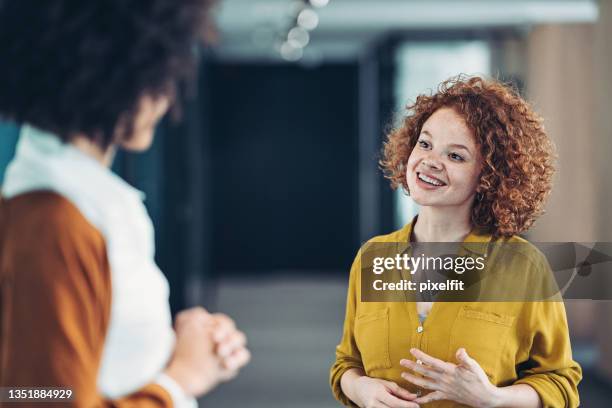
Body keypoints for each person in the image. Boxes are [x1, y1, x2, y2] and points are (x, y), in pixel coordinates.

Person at [0, 1, 249, 407]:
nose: (166, 98)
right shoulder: (57, 220)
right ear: (108, 78)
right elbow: (36, 397)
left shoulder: (72, 201)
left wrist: (178, 345)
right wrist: (181, 378)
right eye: (156, 79)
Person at [330, 76, 582, 408]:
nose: (431, 161)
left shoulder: (524, 266)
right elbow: (347, 364)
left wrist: (493, 398)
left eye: (456, 156)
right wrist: (359, 388)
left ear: (488, 175)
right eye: (425, 144)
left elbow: (560, 383)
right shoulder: (373, 257)